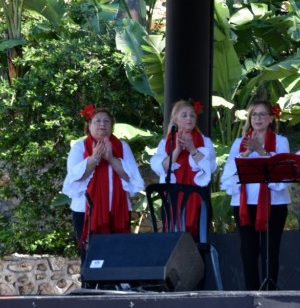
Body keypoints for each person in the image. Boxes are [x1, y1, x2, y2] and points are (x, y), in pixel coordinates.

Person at [219, 100, 290, 290]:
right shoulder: (238, 143)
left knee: (270, 250)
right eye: (254, 114)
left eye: (262, 114)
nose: (257, 118)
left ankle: (270, 291)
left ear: (270, 119)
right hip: (244, 203)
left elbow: (282, 171)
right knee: (248, 250)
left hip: (273, 204)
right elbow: (228, 173)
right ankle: (251, 291)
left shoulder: (281, 141)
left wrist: (261, 151)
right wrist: (246, 152)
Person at [63, 106, 144, 260]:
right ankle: (90, 285)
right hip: (86, 210)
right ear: (89, 125)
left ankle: (115, 283)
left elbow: (131, 177)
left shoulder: (122, 146)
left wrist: (111, 159)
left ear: (112, 126)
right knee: (90, 256)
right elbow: (75, 179)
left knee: (118, 254)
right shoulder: (79, 148)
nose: (102, 124)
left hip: (118, 208)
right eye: (97, 121)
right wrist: (94, 159)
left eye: (106, 121)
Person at [149, 99, 217, 238]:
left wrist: (192, 149)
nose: (189, 118)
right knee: (172, 239)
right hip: (172, 199)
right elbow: (161, 168)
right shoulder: (165, 143)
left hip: (198, 197)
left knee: (198, 237)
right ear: (175, 119)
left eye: (192, 115)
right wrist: (177, 150)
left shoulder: (205, 141)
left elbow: (211, 168)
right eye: (184, 115)